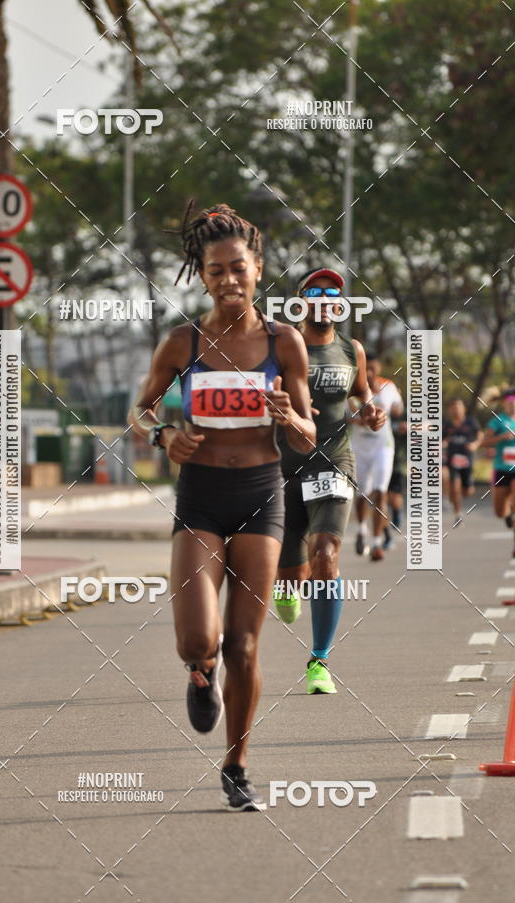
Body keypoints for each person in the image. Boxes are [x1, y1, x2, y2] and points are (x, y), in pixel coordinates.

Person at [128, 201, 316, 811]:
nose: (229, 280)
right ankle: (197, 673)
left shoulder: (285, 342)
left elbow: (310, 435)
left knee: (245, 644)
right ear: (202, 277)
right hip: (201, 498)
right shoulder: (183, 342)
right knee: (197, 640)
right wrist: (161, 436)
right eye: (216, 272)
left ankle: (236, 765)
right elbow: (140, 411)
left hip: (263, 495)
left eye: (239, 268)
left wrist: (289, 418)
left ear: (258, 268)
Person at [273, 267, 386, 695]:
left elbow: (361, 393)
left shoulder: (350, 349)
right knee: (289, 577)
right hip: (284, 467)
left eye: (333, 293)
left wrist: (371, 410)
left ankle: (319, 661)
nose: (325, 298)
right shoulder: (282, 345)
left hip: (334, 463)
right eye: (315, 291)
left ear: (340, 304)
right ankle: (287, 589)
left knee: (325, 554)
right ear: (302, 301)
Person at [350, 356, 403, 561]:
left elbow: (398, 408)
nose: (369, 372)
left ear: (378, 368)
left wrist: (398, 410)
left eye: (372, 368)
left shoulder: (388, 387)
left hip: (383, 446)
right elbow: (346, 415)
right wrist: (360, 421)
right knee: (362, 494)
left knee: (381, 492)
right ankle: (362, 530)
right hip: (360, 446)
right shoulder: (352, 390)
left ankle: (377, 543)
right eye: (366, 369)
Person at [480, 389, 515, 556]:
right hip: (501, 469)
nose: (512, 403)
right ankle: (508, 513)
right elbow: (484, 442)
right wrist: (501, 438)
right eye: (509, 400)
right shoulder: (498, 421)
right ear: (504, 403)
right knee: (500, 512)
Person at [442, 398, 483, 526]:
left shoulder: (471, 422)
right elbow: (442, 440)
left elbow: (480, 435)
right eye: (454, 407)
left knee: (467, 492)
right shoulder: (447, 425)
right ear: (450, 410)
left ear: (463, 409)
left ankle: (456, 496)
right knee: (455, 486)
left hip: (467, 461)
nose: (456, 410)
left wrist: (475, 445)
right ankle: (458, 515)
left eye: (459, 407)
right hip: (452, 460)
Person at [384, 409, 408, 550]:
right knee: (381, 499)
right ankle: (385, 536)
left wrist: (409, 427)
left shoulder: (406, 416)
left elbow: (430, 426)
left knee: (394, 495)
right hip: (377, 462)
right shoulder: (378, 411)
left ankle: (397, 512)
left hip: (397, 463)